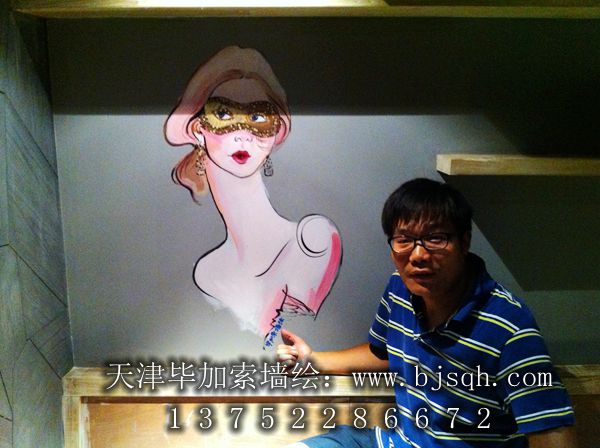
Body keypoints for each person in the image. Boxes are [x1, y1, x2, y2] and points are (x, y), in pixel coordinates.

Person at [277, 178, 576, 448]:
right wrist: (312, 361)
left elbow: (552, 431)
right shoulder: (399, 289)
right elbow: (382, 352)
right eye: (404, 240)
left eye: (435, 239)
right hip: (393, 441)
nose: (418, 255)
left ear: (464, 242)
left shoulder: (509, 326)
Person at [164, 46, 341, 343]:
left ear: (276, 133)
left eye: (259, 117)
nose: (243, 134)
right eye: (223, 113)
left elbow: (290, 342)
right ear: (197, 130)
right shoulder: (208, 273)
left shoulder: (312, 242)